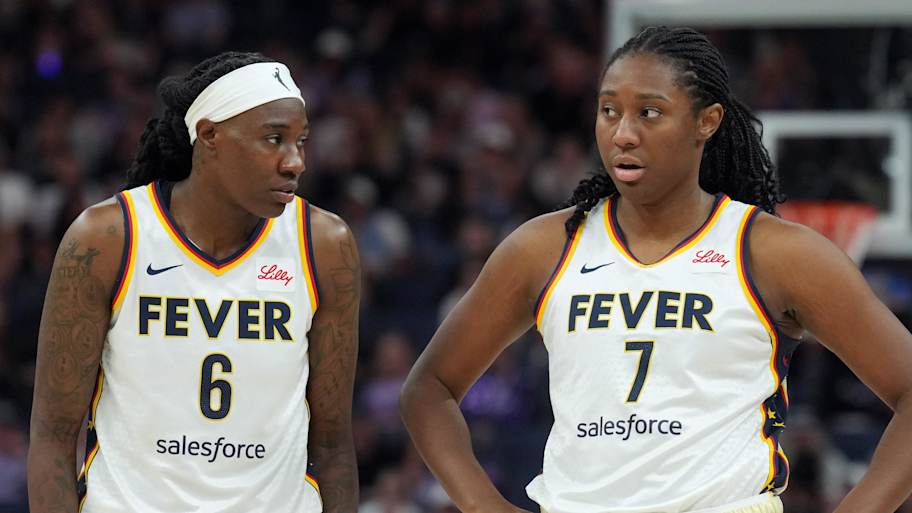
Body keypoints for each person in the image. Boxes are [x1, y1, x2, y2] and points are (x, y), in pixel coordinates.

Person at [400, 26, 912, 513]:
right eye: (608, 111)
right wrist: (483, 504)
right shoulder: (543, 248)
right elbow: (429, 389)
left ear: (706, 122)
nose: (623, 133)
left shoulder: (775, 252)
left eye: (649, 112)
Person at [27, 51, 360, 513]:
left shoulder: (324, 244)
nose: (295, 162)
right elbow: (52, 439)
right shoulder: (107, 238)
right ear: (209, 136)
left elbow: (333, 446)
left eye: (301, 141)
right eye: (274, 139)